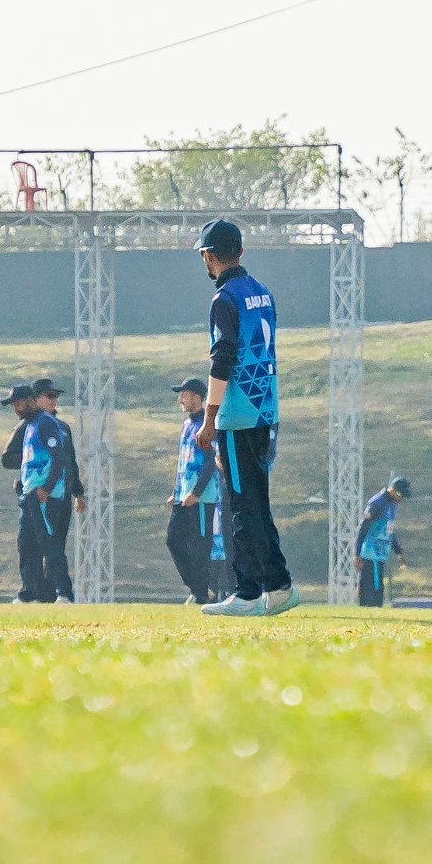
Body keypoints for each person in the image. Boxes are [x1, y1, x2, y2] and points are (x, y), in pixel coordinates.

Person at [193, 221, 294, 615]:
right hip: (265, 410)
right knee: (254, 501)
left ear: (210, 255)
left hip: (237, 415)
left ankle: (255, 589)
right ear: (241, 252)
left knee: (241, 504)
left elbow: (223, 360)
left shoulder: (224, 298)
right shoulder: (262, 293)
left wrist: (209, 419)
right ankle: (266, 586)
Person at [2, 377, 84, 603]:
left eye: (19, 403)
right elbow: (8, 458)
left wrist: (52, 489)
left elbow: (62, 460)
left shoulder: (49, 424)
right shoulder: (28, 426)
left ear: (31, 401)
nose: (16, 409)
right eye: (49, 396)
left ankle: (62, 593)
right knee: (27, 545)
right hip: (31, 496)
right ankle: (30, 594)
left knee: (51, 545)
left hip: (48, 497)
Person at [162, 375, 229, 605]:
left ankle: (202, 594)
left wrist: (197, 492)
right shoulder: (186, 425)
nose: (181, 399)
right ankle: (198, 587)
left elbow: (210, 461)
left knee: (202, 546)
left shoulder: (206, 424)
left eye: (184, 394)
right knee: (173, 541)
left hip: (202, 498)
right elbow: (183, 463)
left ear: (197, 397)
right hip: (183, 497)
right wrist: (176, 491)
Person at [353, 474, 412, 608]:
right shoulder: (377, 503)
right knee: (371, 591)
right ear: (393, 490)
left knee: (378, 590)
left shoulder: (392, 505)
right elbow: (363, 528)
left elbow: (389, 531)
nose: (400, 499)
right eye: (400, 495)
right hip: (370, 554)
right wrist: (357, 553)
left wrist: (399, 552)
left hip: (380, 555)